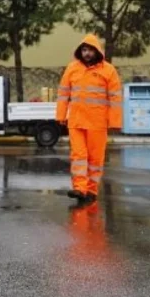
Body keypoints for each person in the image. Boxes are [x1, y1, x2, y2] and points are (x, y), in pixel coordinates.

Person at [55, 34, 122, 204]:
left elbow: (115, 97)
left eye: (90, 50)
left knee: (95, 159)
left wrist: (114, 121)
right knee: (78, 156)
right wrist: (61, 115)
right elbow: (63, 94)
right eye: (84, 50)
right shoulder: (72, 68)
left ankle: (91, 190)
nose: (86, 53)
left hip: (97, 122)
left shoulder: (108, 70)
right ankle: (79, 188)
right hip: (76, 121)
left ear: (96, 51)